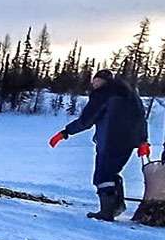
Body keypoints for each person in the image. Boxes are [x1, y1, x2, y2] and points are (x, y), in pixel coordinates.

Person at [50, 69, 150, 221]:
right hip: (128, 143)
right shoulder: (130, 94)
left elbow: (87, 120)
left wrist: (66, 132)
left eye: (95, 80)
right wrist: (143, 140)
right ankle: (116, 207)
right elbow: (140, 118)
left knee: (102, 176)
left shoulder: (103, 94)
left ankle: (107, 212)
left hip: (110, 141)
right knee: (112, 172)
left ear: (102, 80)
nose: (93, 84)